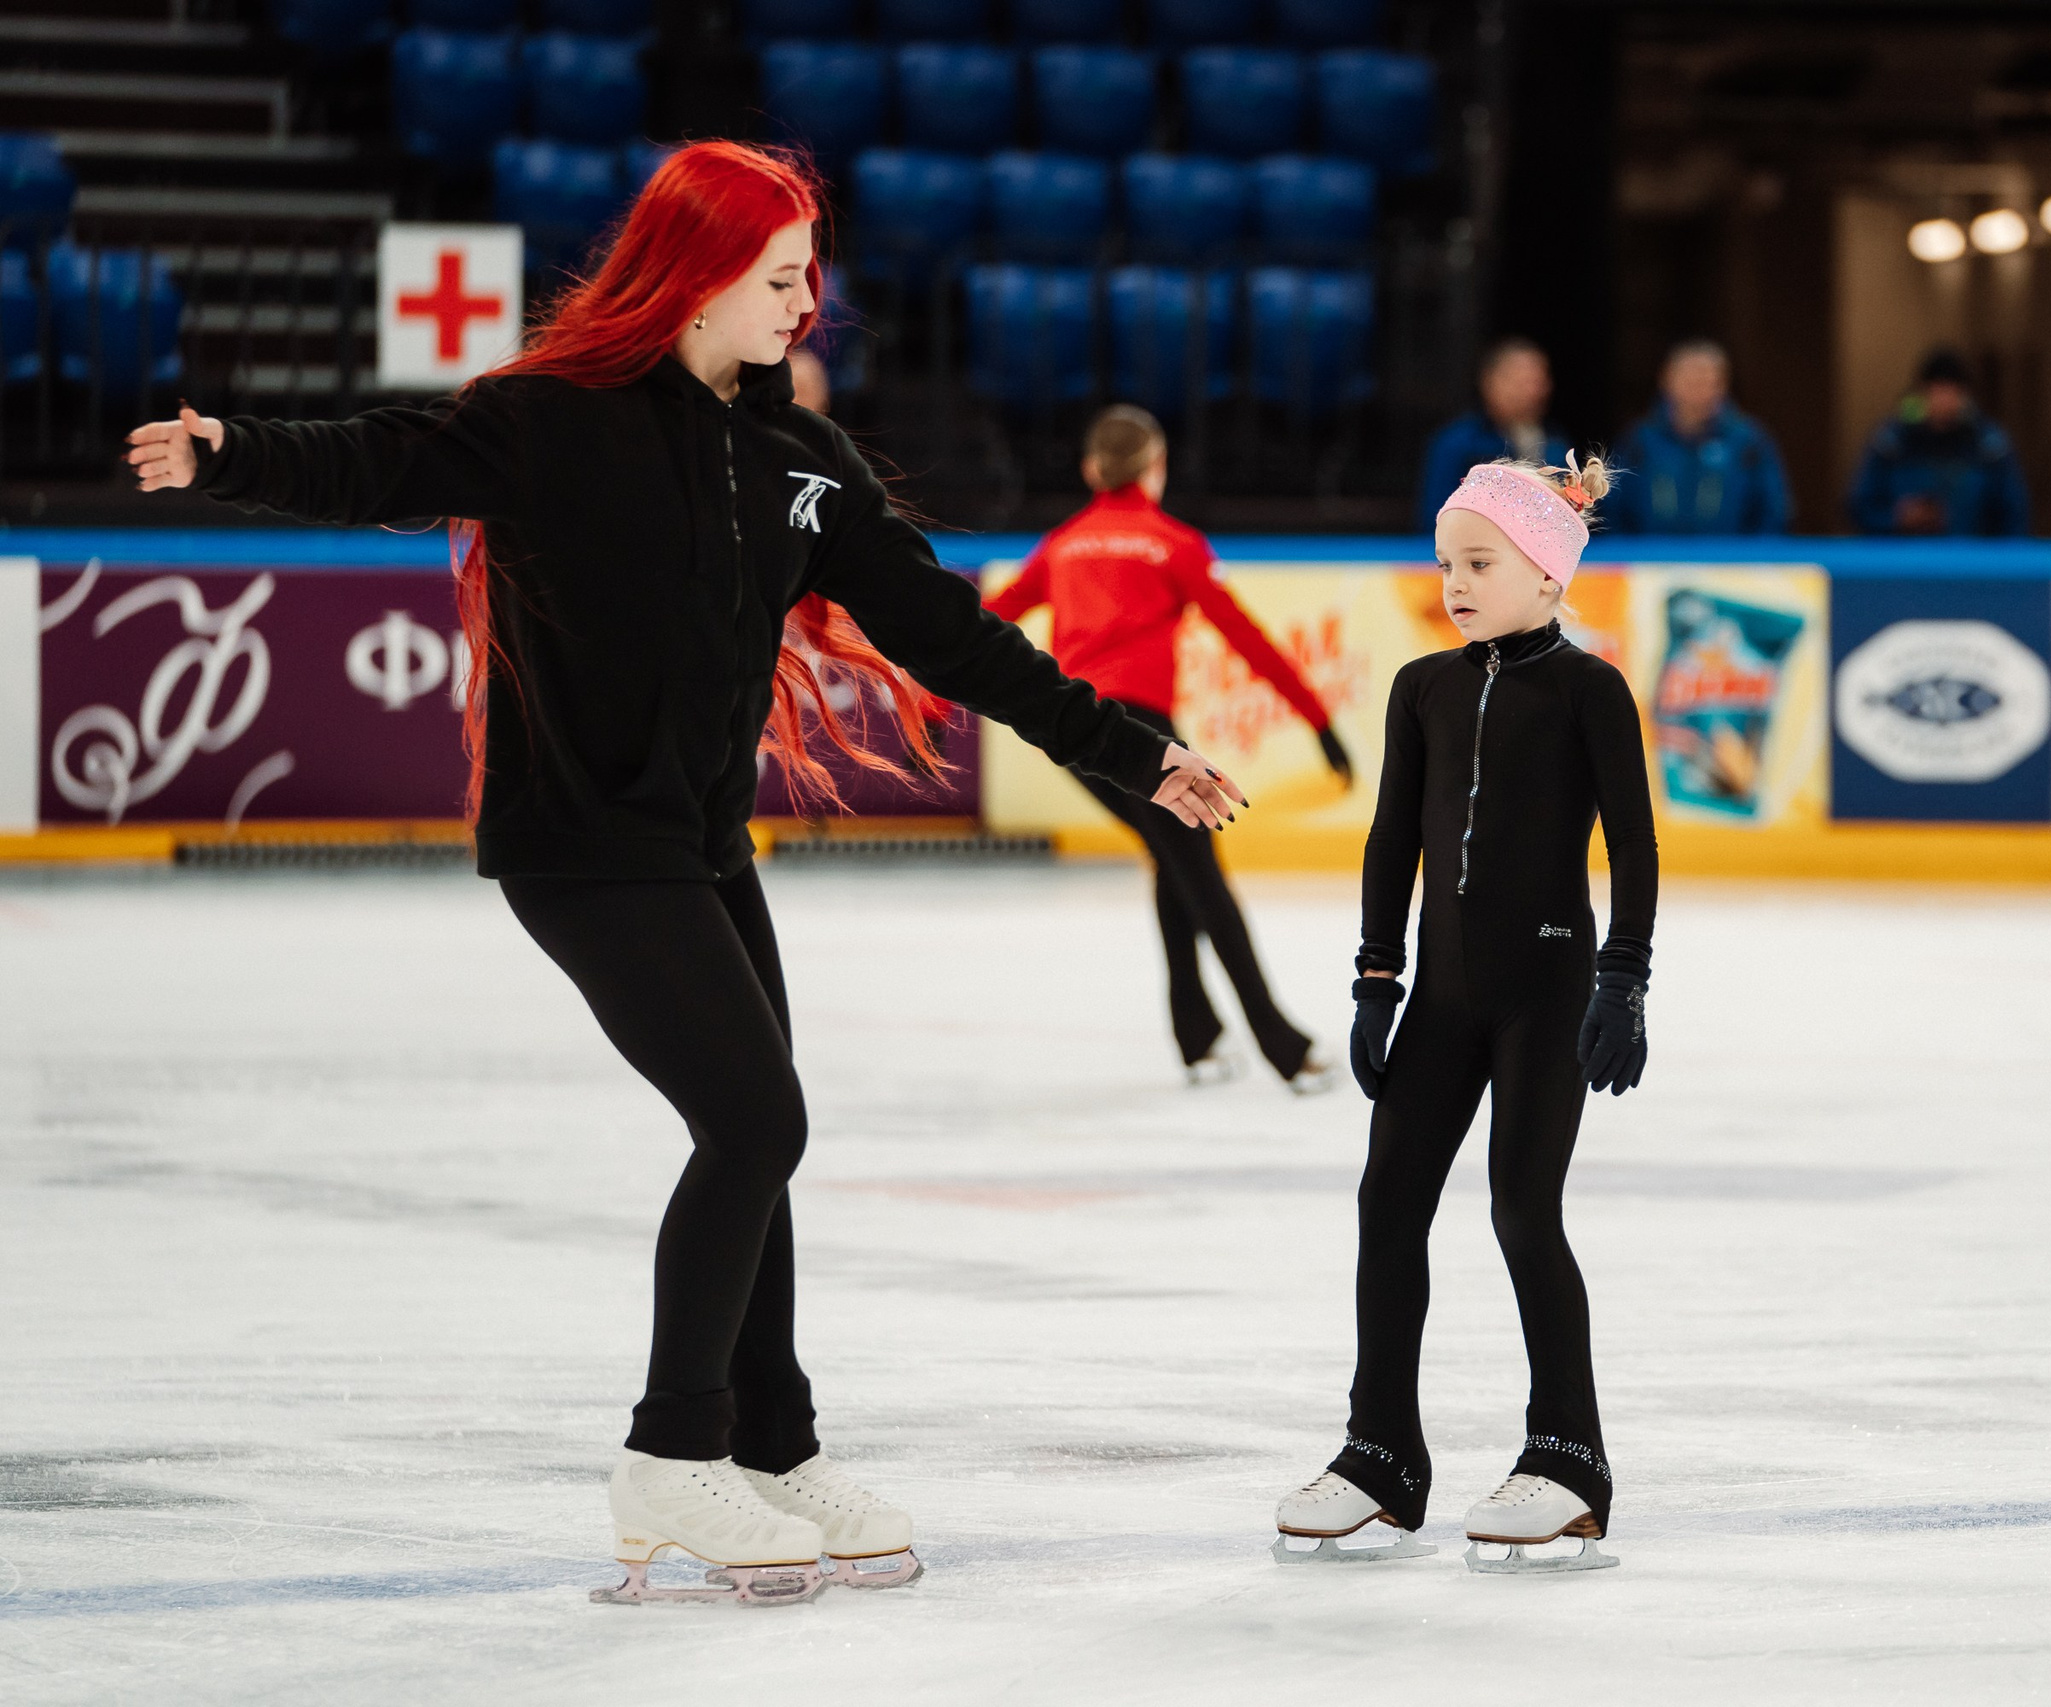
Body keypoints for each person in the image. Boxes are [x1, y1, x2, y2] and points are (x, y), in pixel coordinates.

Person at [124, 142, 1247, 1608]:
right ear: (696, 275)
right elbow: (381, 459)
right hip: (580, 846)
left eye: (808, 276)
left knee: (757, 1134)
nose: (803, 303)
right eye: (778, 276)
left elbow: (950, 635)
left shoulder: (802, 463)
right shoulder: (549, 419)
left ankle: (774, 1448)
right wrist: (231, 451)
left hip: (703, 847)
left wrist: (1128, 748)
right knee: (755, 1119)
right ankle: (672, 1452)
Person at [1272, 455, 1657, 1575]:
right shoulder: (1423, 689)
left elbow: (1631, 844)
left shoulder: (1589, 690)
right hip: (1441, 996)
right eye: (1446, 563)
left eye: (1479, 562)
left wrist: (1624, 981)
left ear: (1547, 574)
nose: (1454, 583)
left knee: (1523, 1211)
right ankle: (1381, 1454)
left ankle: (1569, 1459)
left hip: (1548, 991)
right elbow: (1392, 838)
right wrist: (1374, 980)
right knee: (1387, 1204)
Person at [988, 404, 1347, 1092]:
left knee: (1175, 858)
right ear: (1157, 467)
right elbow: (1246, 637)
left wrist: (932, 705)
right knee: (1201, 875)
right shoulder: (1175, 543)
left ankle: (1198, 1036)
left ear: (1091, 470)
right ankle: (1285, 1047)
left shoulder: (1062, 543)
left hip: (1073, 733)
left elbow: (987, 622)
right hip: (1142, 735)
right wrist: (1318, 720)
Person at [1602, 340, 1791, 535]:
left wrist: (1753, 552)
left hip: (1730, 554)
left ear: (1723, 385)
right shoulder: (1639, 442)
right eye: (1690, 380)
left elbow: (1773, 510)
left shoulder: (1748, 442)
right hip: (1652, 553)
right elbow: (1613, 508)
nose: (1698, 391)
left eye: (1707, 381)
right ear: (1666, 380)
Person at [1847, 346, 2032, 536]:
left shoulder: (1990, 446)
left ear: (1965, 395)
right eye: (1937, 391)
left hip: (1971, 552)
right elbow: (1859, 507)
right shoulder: (1891, 442)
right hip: (1905, 552)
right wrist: (1897, 518)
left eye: (1951, 391)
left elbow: (2015, 515)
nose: (1944, 400)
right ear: (1921, 394)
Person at [1413, 339, 1570, 531]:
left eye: (1538, 381)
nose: (1532, 392)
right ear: (1489, 382)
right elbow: (1435, 519)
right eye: (1520, 382)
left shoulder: (1557, 443)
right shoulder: (1457, 444)